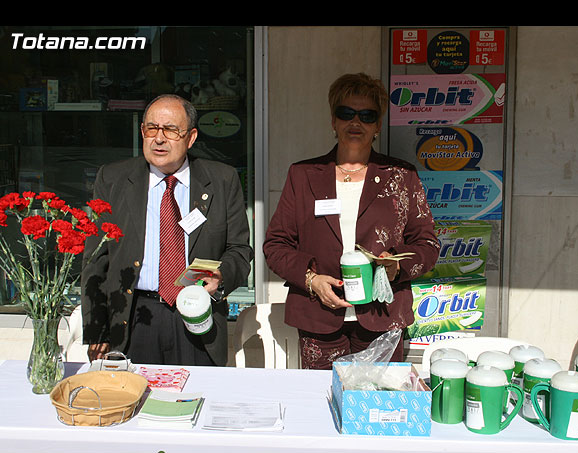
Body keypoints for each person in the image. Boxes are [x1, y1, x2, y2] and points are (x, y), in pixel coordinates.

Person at [263, 73, 440, 369]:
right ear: (333, 121)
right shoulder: (304, 174)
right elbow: (276, 244)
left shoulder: (401, 175)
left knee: (376, 405)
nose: (355, 122)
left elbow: (428, 244)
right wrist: (311, 280)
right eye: (346, 113)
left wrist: (397, 267)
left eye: (367, 115)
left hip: (383, 314)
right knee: (320, 402)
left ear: (377, 126)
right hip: (318, 317)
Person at [81, 94, 253, 366]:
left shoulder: (221, 179)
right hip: (133, 317)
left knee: (198, 397)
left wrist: (223, 276)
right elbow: (95, 258)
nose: (159, 139)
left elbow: (239, 249)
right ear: (142, 132)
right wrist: (95, 328)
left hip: (197, 313)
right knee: (136, 403)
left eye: (171, 130)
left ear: (191, 137)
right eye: (152, 128)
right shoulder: (113, 179)